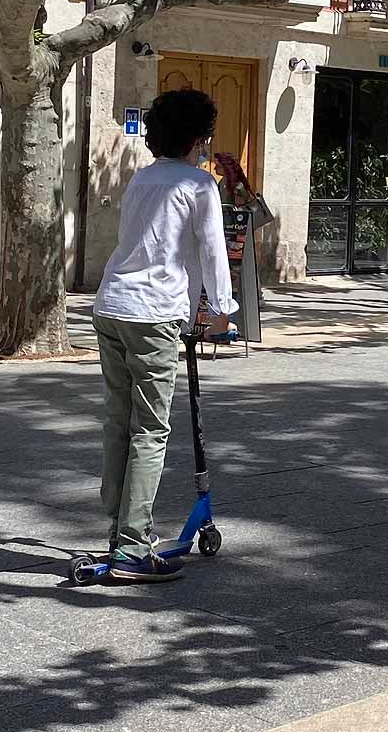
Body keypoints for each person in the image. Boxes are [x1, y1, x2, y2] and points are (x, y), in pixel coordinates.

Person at [92, 89, 237, 582]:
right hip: (153, 312)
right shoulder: (198, 185)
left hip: (112, 305)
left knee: (118, 420)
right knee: (150, 430)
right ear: (198, 138)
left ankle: (118, 527)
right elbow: (212, 252)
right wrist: (220, 310)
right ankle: (133, 546)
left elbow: (154, 243)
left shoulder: (142, 180)